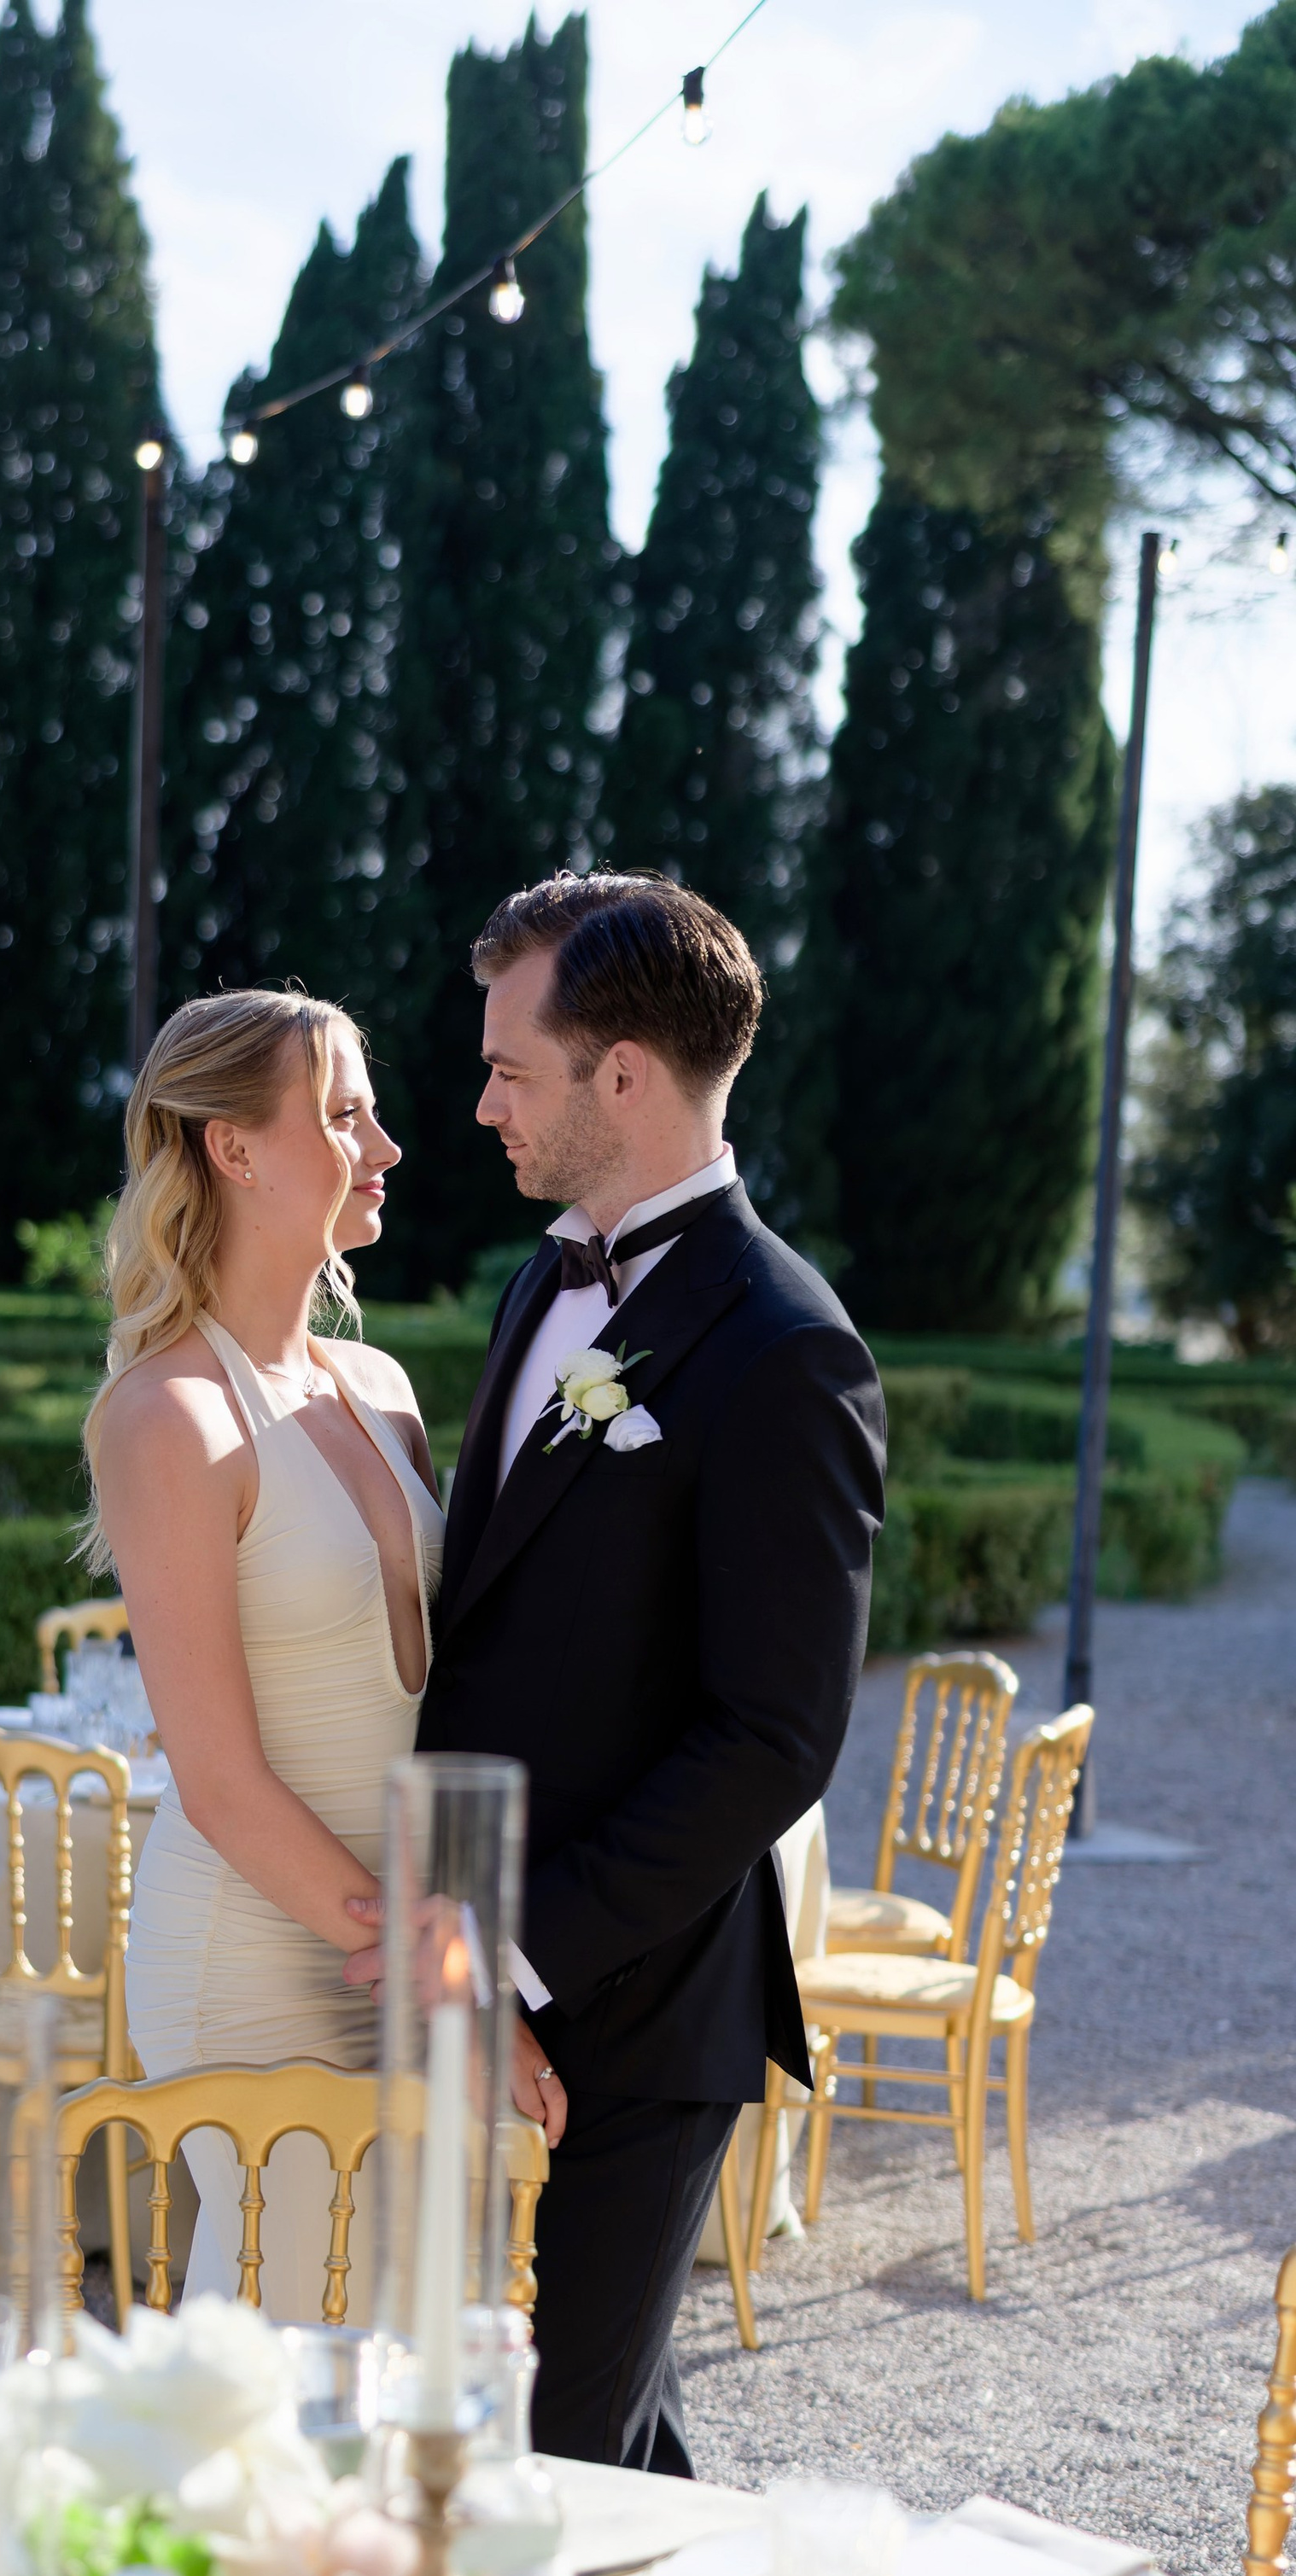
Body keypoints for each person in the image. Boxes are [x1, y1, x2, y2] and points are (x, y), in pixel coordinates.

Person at [405, 870, 885, 2474]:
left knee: (552, 2461)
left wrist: (522, 1957)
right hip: (485, 1970)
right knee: (610, 2448)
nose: (480, 1105)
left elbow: (775, 1736)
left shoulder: (786, 1347)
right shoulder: (545, 1277)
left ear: (623, 1075)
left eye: (509, 1069)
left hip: (636, 1997)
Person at [87, 990, 444, 2316]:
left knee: (406, 2355)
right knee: (290, 2361)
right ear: (233, 1147)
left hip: (389, 1939)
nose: (387, 1145)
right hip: (253, 1953)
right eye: (346, 1114)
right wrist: (428, 1963)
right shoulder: (166, 1413)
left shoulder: (385, 1390)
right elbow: (219, 1782)